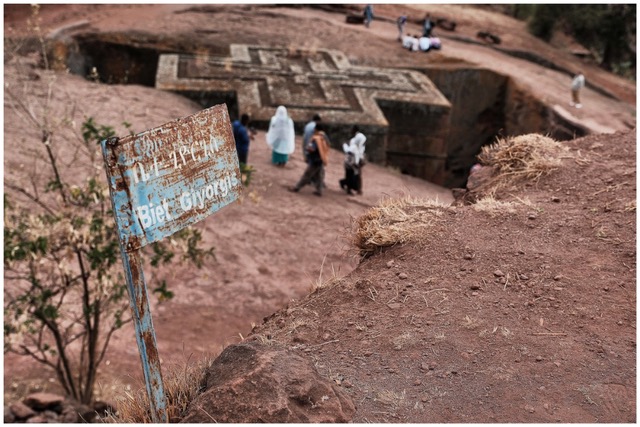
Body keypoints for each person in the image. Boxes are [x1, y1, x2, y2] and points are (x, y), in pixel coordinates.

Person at [289, 123, 330, 196]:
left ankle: (296, 187)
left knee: (307, 175)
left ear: (316, 129)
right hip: (321, 159)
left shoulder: (317, 138)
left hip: (315, 160)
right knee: (319, 176)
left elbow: (312, 149)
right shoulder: (324, 137)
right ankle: (319, 191)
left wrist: (308, 148)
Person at [339, 126, 367, 195]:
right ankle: (350, 188)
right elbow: (349, 151)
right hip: (350, 162)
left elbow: (359, 153)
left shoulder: (358, 143)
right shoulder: (354, 144)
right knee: (351, 175)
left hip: (353, 162)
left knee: (353, 175)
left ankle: (351, 187)